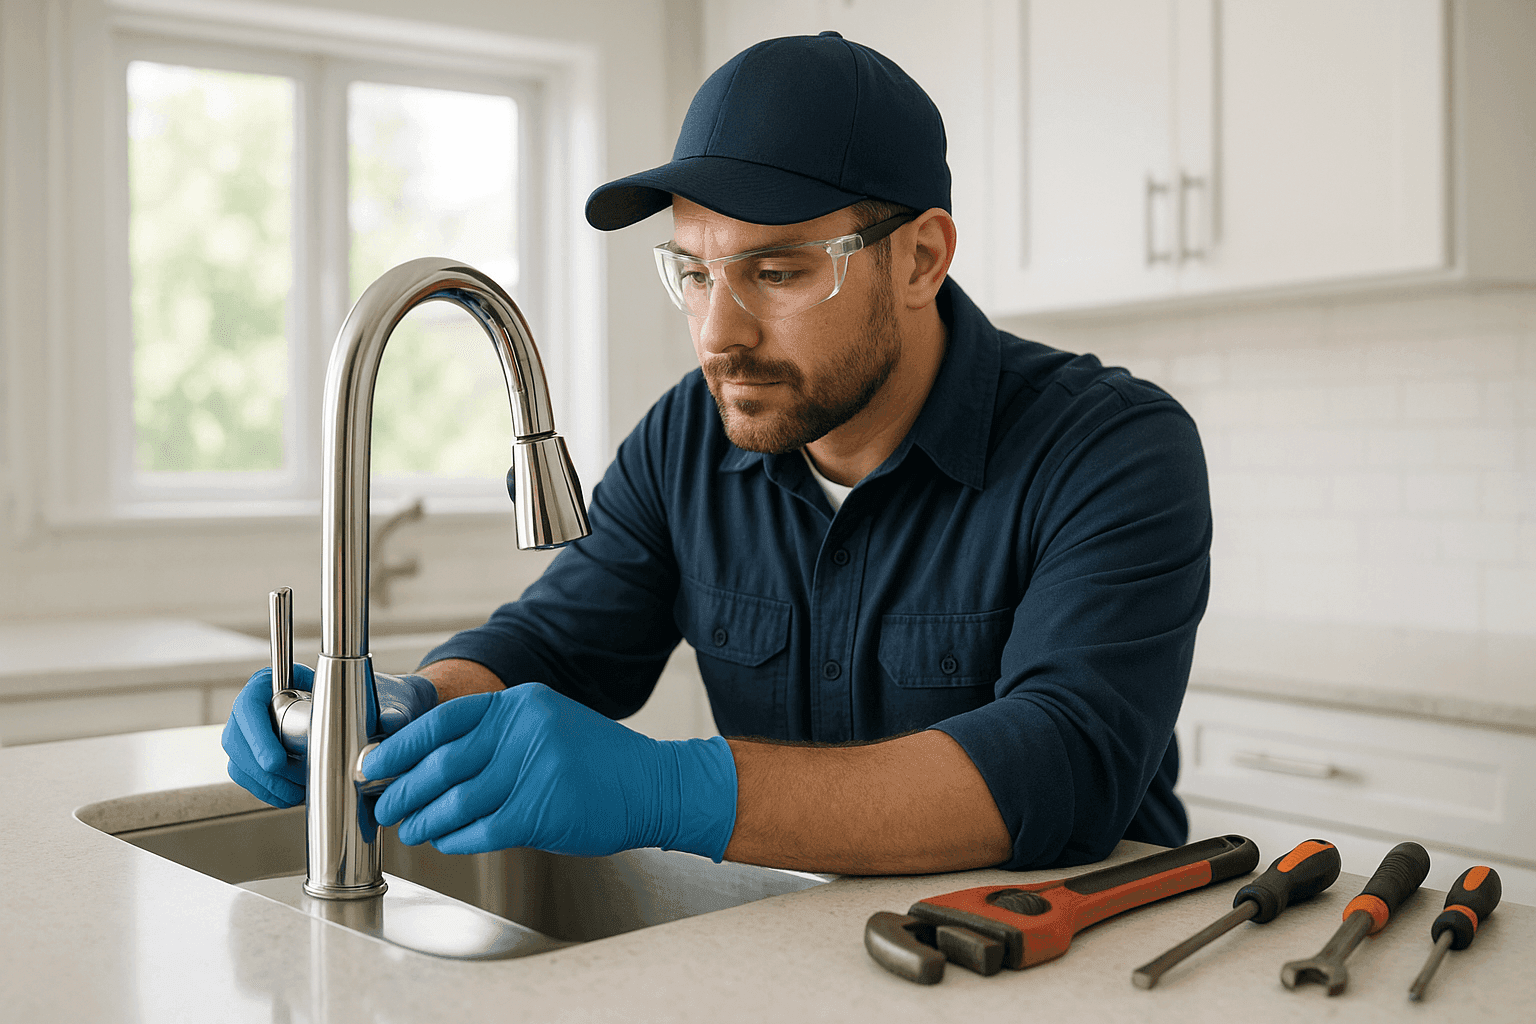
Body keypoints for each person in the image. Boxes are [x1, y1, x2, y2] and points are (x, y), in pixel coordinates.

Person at [223, 31, 1211, 875]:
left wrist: (679, 788)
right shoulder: (685, 439)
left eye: (775, 272)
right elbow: (560, 643)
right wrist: (407, 709)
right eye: (693, 274)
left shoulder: (1113, 448)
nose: (716, 335)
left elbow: (1063, 763)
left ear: (920, 258)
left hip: (1067, 967)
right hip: (791, 952)